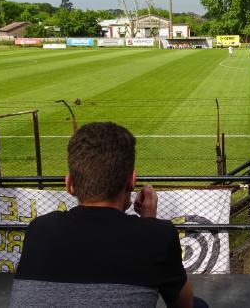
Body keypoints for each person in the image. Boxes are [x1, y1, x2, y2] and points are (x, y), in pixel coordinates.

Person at [11, 122, 207, 308]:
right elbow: (184, 305)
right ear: (131, 180)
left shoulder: (39, 228)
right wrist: (150, 223)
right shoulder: (159, 235)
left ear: (69, 184)